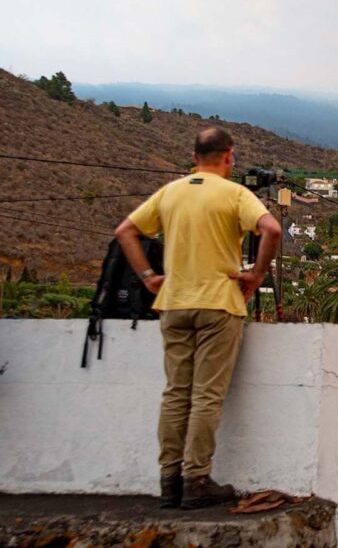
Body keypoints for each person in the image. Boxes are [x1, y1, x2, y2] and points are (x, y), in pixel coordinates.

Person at [114, 127, 281, 509]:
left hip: (173, 303)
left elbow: (125, 231)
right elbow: (271, 229)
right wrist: (256, 274)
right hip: (218, 304)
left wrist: (148, 277)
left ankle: (168, 481)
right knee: (206, 394)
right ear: (229, 157)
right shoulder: (235, 193)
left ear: (194, 158)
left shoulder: (170, 192)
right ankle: (197, 479)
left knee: (175, 392)